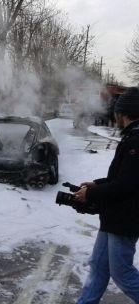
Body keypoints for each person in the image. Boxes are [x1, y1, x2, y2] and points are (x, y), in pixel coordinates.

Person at [75, 87, 139, 304]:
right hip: (114, 218)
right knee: (99, 267)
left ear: (124, 113)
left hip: (125, 220)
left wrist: (92, 193)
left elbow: (126, 185)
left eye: (117, 112)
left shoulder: (136, 141)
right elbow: (123, 177)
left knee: (123, 274)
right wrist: (96, 184)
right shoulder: (132, 137)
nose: (115, 116)